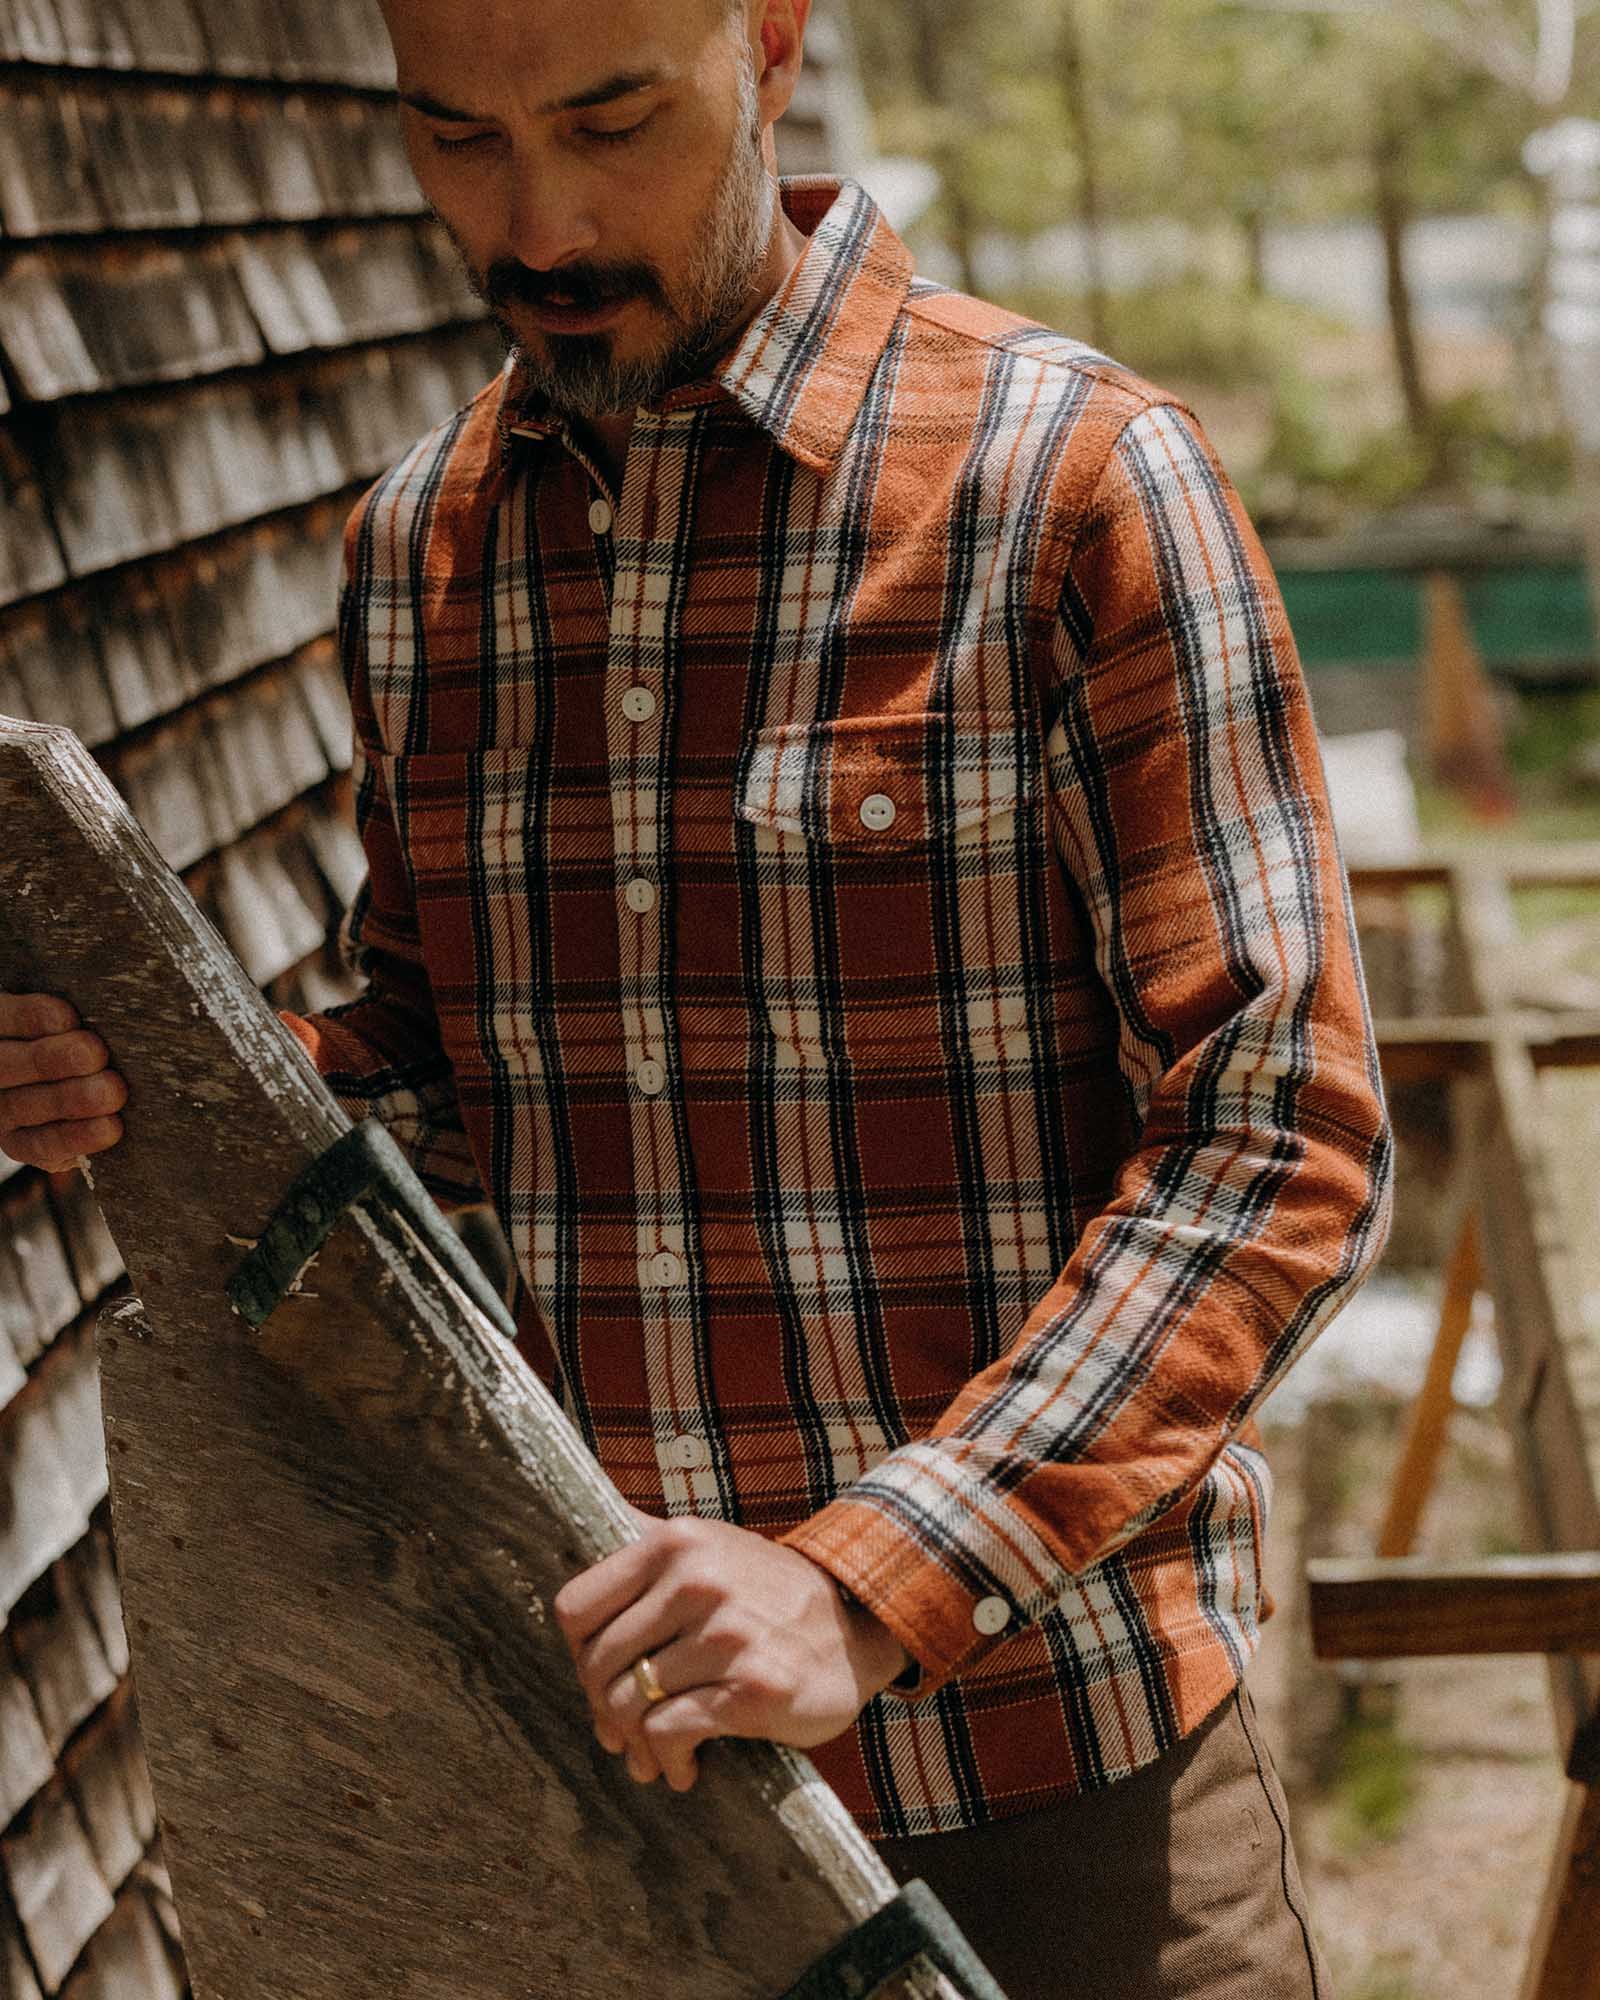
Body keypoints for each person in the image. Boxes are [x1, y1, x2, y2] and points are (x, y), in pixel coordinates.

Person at [0, 1, 1394, 1992]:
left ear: (764, 41)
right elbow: (440, 1083)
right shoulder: (418, 555)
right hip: (618, 1796)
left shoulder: (1077, 479)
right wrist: (138, 1084)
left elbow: (1278, 1145)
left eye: (607, 121)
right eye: (454, 141)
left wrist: (864, 1579)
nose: (539, 221)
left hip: (1059, 1788)